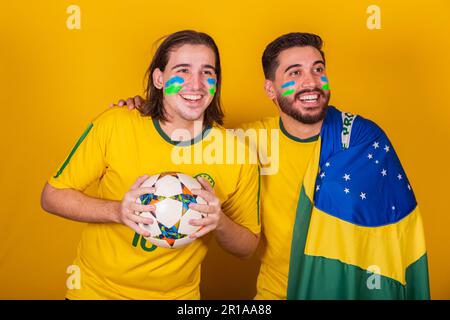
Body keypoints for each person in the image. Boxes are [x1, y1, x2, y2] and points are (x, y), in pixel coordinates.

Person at [119, 32, 430, 299]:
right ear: (270, 89)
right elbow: (186, 136)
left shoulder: (361, 139)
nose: (310, 82)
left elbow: (392, 231)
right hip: (276, 292)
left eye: (317, 69)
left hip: (346, 289)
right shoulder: (247, 142)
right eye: (294, 73)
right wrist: (147, 108)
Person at [41, 30, 260, 300]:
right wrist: (118, 211)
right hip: (95, 292)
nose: (196, 84)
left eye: (207, 72)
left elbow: (247, 246)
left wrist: (220, 222)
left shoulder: (236, 152)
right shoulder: (116, 124)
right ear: (159, 78)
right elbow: (52, 196)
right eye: (183, 70)